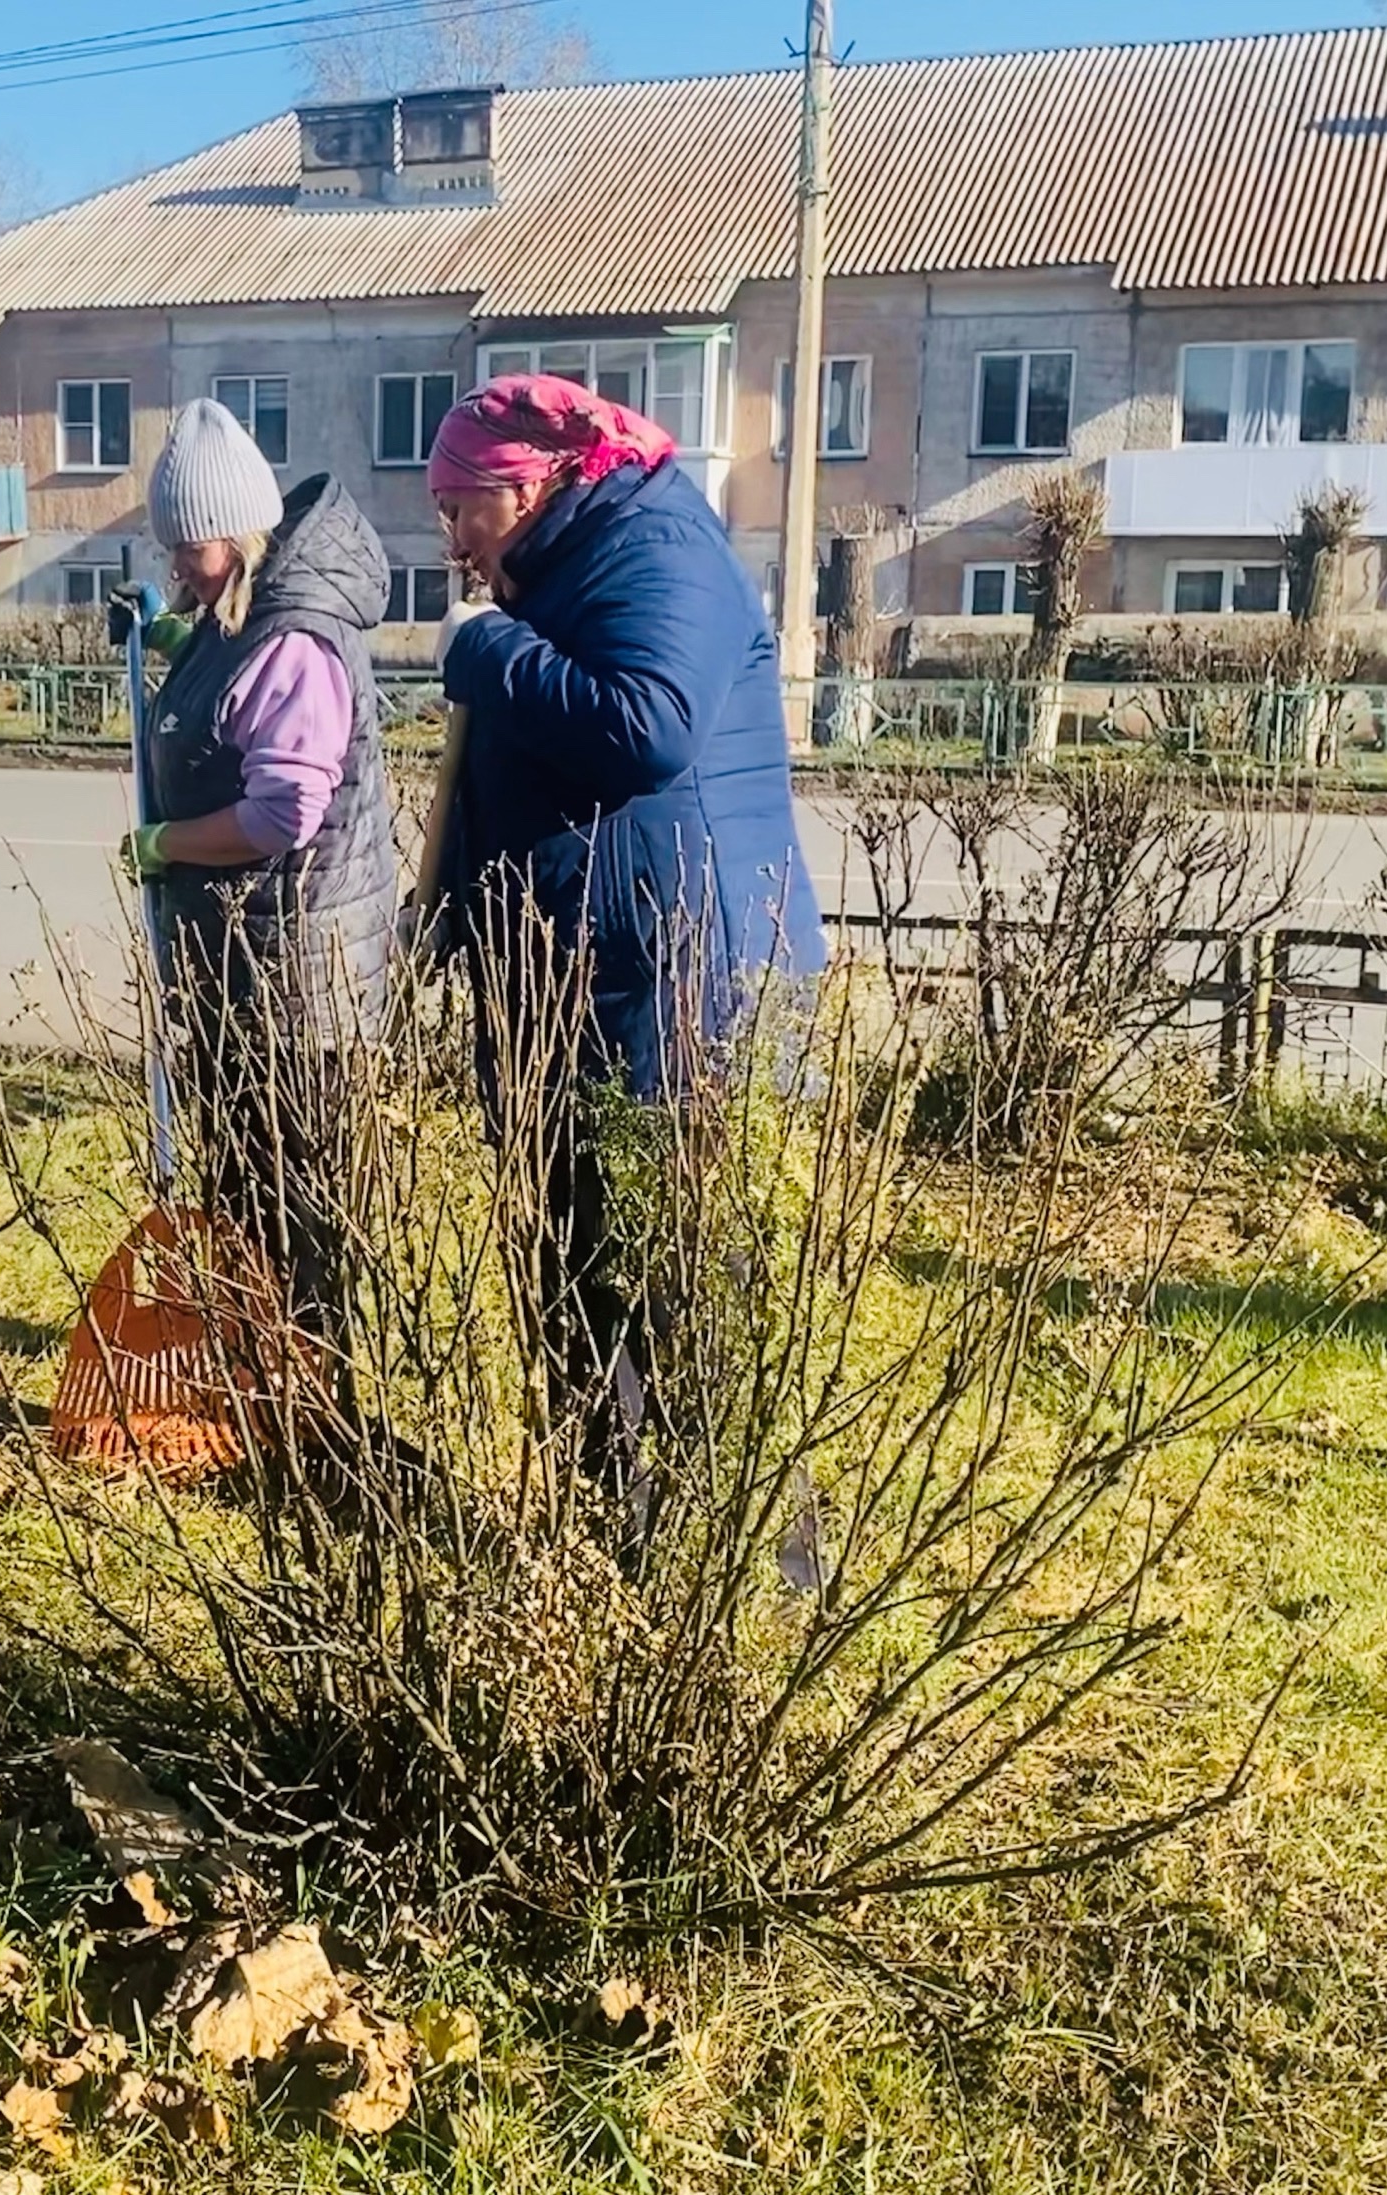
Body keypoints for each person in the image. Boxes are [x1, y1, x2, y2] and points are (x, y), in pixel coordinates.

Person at [426, 372, 825, 1554]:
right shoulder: (548, 568)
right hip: (577, 973)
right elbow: (521, 775)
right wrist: (449, 906)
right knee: (573, 1263)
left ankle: (759, 1566)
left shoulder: (657, 544)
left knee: (685, 1270)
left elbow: (643, 725)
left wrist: (488, 647)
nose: (449, 536)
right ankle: (619, 1536)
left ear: (538, 479)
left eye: (463, 507)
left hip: (678, 982)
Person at [115, 397, 398, 1440]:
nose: (180, 565)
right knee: (246, 1191)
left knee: (293, 1202)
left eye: (188, 549)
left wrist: (168, 844)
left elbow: (283, 809)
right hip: (251, 964)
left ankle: (315, 1418)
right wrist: (176, 644)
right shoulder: (242, 614)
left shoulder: (289, 637)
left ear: (240, 533)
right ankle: (253, 1383)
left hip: (296, 978)